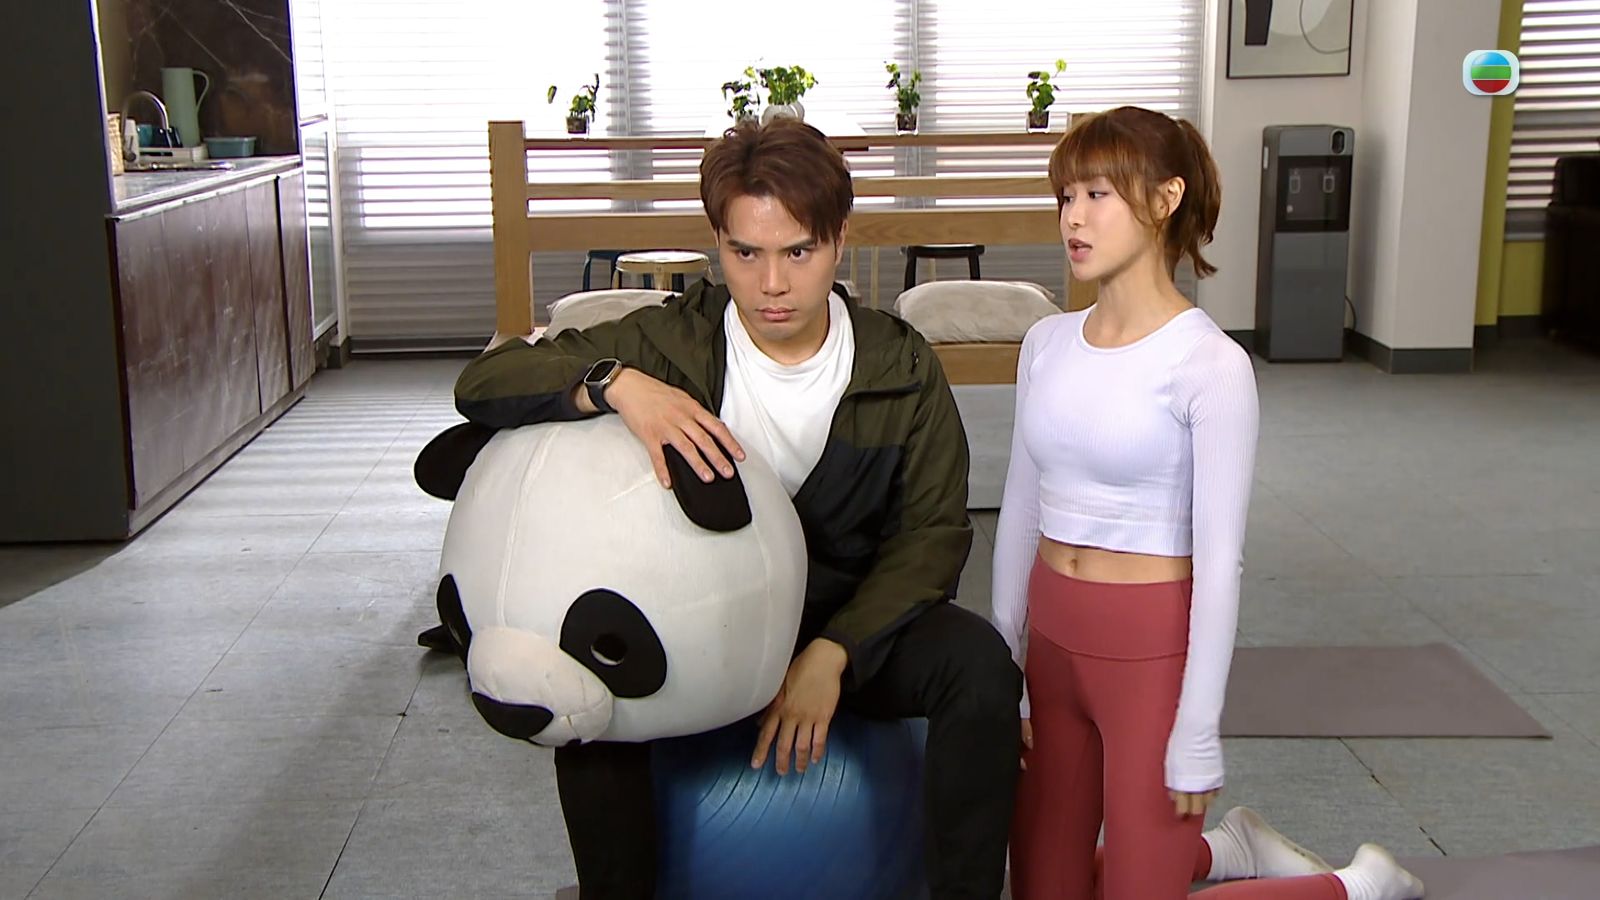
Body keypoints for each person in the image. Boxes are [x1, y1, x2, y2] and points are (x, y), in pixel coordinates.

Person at [444, 117, 1021, 899]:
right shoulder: (670, 343)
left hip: (852, 625)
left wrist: (835, 651)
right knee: (591, 683)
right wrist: (616, 384)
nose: (772, 283)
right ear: (717, 243)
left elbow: (933, 535)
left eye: (798, 252)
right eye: (746, 253)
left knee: (979, 667)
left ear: (839, 240)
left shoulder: (900, 363)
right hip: (705, 634)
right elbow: (484, 382)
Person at [991, 106, 1427, 900]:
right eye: (1066, 197)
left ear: (1166, 200)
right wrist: (1006, 670)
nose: (1073, 218)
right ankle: (1227, 849)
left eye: (1097, 195)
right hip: (1053, 642)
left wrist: (1197, 728)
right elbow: (1020, 509)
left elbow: (1221, 564)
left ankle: (1358, 886)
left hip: (1148, 650)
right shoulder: (1045, 344)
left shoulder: (1209, 364)